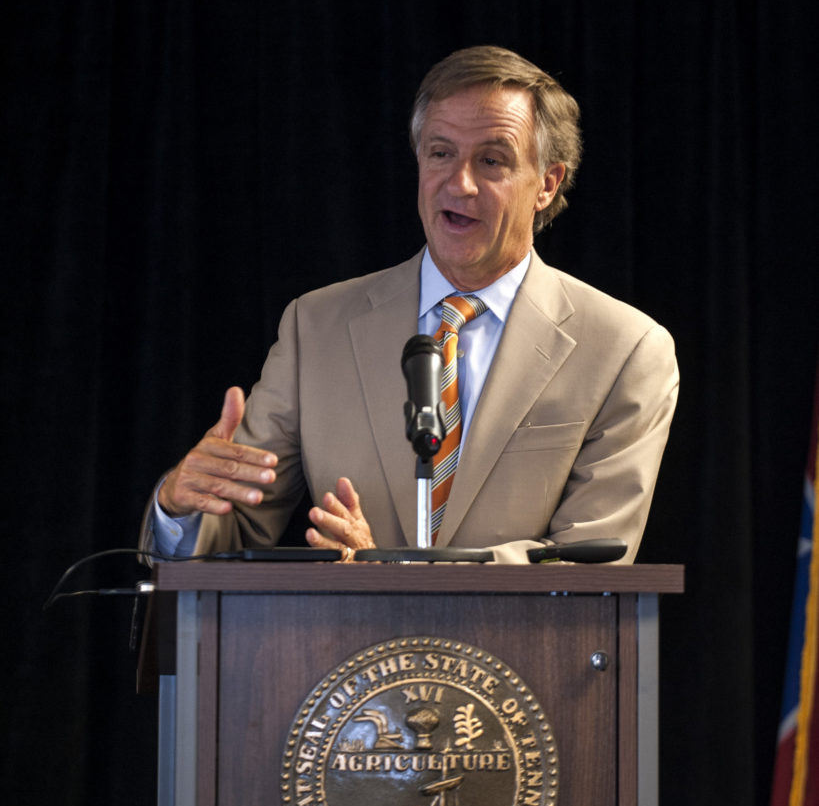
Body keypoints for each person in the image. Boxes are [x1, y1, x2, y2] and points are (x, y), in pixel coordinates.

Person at [143, 45, 678, 564]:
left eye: (492, 161)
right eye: (441, 153)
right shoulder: (317, 327)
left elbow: (590, 559)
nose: (459, 183)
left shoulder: (625, 350)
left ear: (547, 183)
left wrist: (393, 573)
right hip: (345, 654)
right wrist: (181, 506)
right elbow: (232, 533)